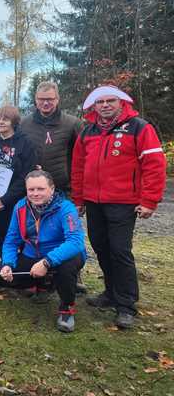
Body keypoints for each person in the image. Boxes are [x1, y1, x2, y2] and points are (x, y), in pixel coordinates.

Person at [71, 85, 166, 329]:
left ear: (121, 102)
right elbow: (79, 167)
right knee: (101, 247)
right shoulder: (88, 131)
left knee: (120, 251)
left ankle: (126, 305)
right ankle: (110, 293)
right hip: (93, 201)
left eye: (110, 101)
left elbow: (154, 165)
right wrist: (78, 199)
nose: (104, 105)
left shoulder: (140, 127)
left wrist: (149, 201)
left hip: (123, 203)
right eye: (100, 102)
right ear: (94, 106)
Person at [0, 170, 87, 333]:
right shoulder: (20, 206)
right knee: (0, 276)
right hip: (33, 254)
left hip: (62, 256)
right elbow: (11, 239)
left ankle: (67, 308)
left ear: (51, 189)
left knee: (66, 268)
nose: (35, 193)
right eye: (31, 190)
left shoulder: (66, 208)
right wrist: (8, 263)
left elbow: (75, 242)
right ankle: (44, 284)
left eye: (40, 189)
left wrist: (47, 262)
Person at [20, 81, 86, 292]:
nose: (45, 103)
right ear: (36, 100)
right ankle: (38, 278)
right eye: (41, 99)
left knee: (67, 234)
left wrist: (78, 196)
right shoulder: (25, 123)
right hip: (34, 191)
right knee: (34, 233)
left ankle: (72, 275)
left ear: (57, 99)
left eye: (50, 99)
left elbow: (82, 159)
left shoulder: (73, 123)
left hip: (64, 191)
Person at [0, 105, 36, 257]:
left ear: (14, 122)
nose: (1, 122)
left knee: (15, 236)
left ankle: (17, 270)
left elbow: (26, 175)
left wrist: (5, 199)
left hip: (14, 200)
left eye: (5, 119)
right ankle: (5, 266)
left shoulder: (25, 144)